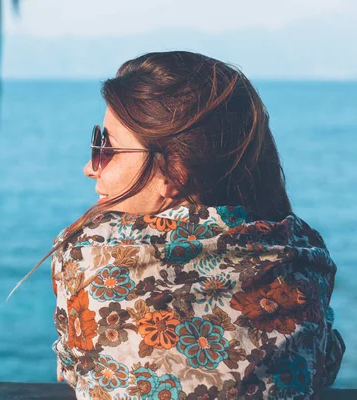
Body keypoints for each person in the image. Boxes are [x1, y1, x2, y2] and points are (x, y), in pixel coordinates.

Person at [43, 51, 344, 399]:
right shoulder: (302, 254)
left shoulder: (86, 252)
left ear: (175, 172)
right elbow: (322, 364)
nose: (91, 166)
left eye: (104, 146)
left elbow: (71, 369)